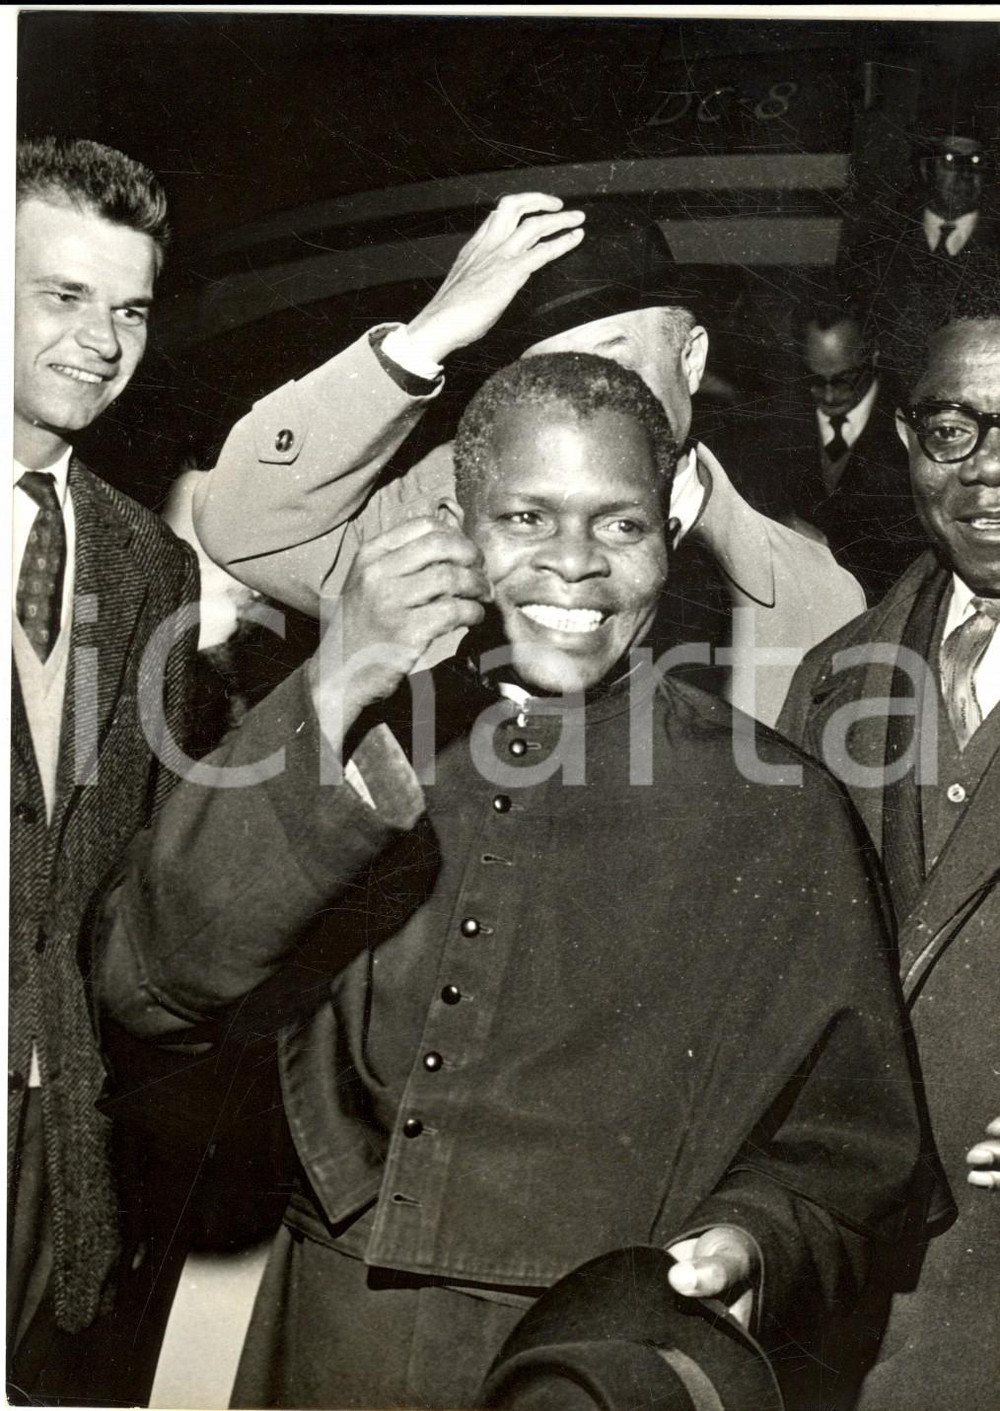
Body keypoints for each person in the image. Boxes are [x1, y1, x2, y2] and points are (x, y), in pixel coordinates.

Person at [98, 352, 924, 1410]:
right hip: (338, 1328)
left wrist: (751, 1241)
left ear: (669, 530)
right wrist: (339, 672)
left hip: (596, 1359)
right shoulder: (354, 733)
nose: (574, 566)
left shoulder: (776, 807)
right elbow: (149, 984)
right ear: (456, 519)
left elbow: (850, 1149)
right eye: (526, 519)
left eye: (618, 524)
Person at [194, 195, 865, 729]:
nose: (582, 403)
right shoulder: (442, 510)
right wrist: (426, 337)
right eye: (548, 377)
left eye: (612, 362)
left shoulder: (817, 595)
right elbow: (244, 524)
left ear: (691, 360)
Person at [778, 288, 1000, 1411]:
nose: (988, 474)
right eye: (954, 431)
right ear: (909, 441)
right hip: (847, 1279)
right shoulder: (828, 679)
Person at [9, 136, 199, 1404]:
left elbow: (147, 876)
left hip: (49, 1151)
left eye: (127, 309)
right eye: (61, 296)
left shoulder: (148, 565)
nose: (101, 340)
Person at [791, 300, 924, 600]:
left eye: (843, 381)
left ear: (873, 357)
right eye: (815, 380)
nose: (828, 395)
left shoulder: (915, 427)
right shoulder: (777, 419)